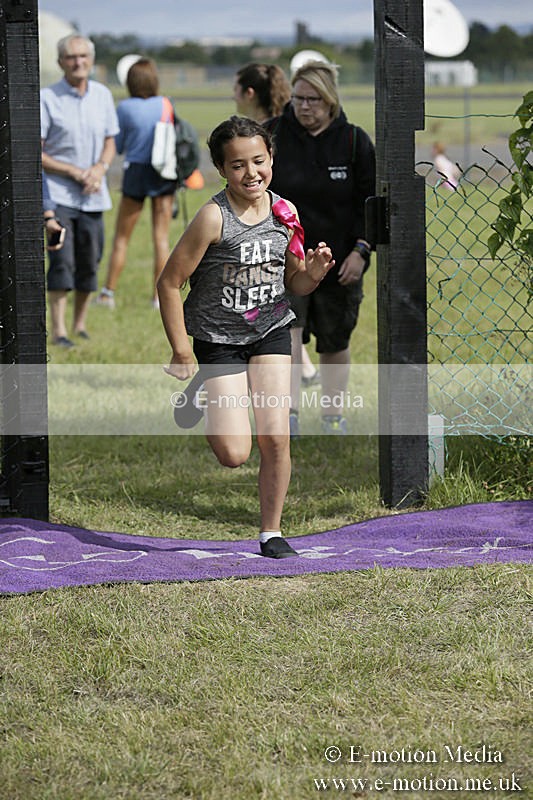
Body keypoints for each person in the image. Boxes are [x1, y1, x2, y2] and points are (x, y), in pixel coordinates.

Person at [157, 116, 335, 558]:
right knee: (234, 454)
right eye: (237, 165)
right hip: (219, 340)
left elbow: (293, 282)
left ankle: (270, 533)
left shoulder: (285, 213)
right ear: (221, 169)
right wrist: (182, 349)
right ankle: (203, 392)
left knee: (276, 437)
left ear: (271, 157)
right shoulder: (212, 218)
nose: (251, 173)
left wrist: (311, 276)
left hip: (271, 331)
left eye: (259, 161)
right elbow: (169, 282)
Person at [266, 60, 376, 436]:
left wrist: (361, 251)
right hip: (286, 260)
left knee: (335, 339)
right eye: (298, 98)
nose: (304, 106)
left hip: (339, 260)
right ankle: (289, 416)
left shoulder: (353, 141)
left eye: (313, 99)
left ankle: (332, 417)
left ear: (330, 101)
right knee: (287, 334)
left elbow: (369, 202)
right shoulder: (273, 135)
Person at [233, 62, 320, 385]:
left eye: (235, 88)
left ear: (249, 93)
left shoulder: (264, 134)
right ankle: (301, 367)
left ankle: (299, 371)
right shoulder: (274, 127)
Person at [41, 34, 119, 348]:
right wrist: (73, 171)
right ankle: (59, 330)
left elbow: (110, 140)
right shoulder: (48, 98)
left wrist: (100, 168)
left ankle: (80, 324)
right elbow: (37, 151)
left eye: (83, 56)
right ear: (61, 62)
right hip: (60, 194)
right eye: (71, 57)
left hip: (93, 194)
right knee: (62, 263)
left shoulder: (102, 95)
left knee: (90, 261)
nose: (78, 62)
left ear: (91, 59)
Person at [95, 58, 179, 311]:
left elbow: (118, 147)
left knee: (122, 237)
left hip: (136, 173)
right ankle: (158, 297)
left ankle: (108, 293)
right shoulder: (166, 103)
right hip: (163, 172)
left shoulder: (125, 108)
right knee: (161, 238)